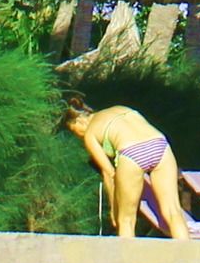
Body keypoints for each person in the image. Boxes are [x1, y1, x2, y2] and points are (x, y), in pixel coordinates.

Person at [62, 90, 192, 239]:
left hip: (132, 152)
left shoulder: (90, 134)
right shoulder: (120, 108)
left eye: (74, 131)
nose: (78, 135)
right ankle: (186, 252)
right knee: (173, 211)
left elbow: (109, 173)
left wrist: (114, 210)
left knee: (126, 220)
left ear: (78, 121)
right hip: (160, 145)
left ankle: (127, 254)